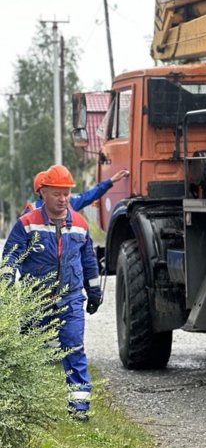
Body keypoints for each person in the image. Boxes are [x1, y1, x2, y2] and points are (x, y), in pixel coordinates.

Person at [2, 164, 102, 422]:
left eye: (66, 193)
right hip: (36, 301)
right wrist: (7, 287)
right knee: (28, 353)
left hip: (70, 301)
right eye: (57, 193)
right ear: (43, 193)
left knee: (74, 348)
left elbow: (89, 261)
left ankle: (79, 409)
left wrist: (94, 291)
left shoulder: (79, 224)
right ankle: (21, 409)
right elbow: (10, 259)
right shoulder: (26, 224)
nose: (63, 198)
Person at [20, 168, 129, 215]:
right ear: (42, 192)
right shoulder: (31, 210)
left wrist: (110, 181)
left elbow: (90, 195)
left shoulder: (70, 203)